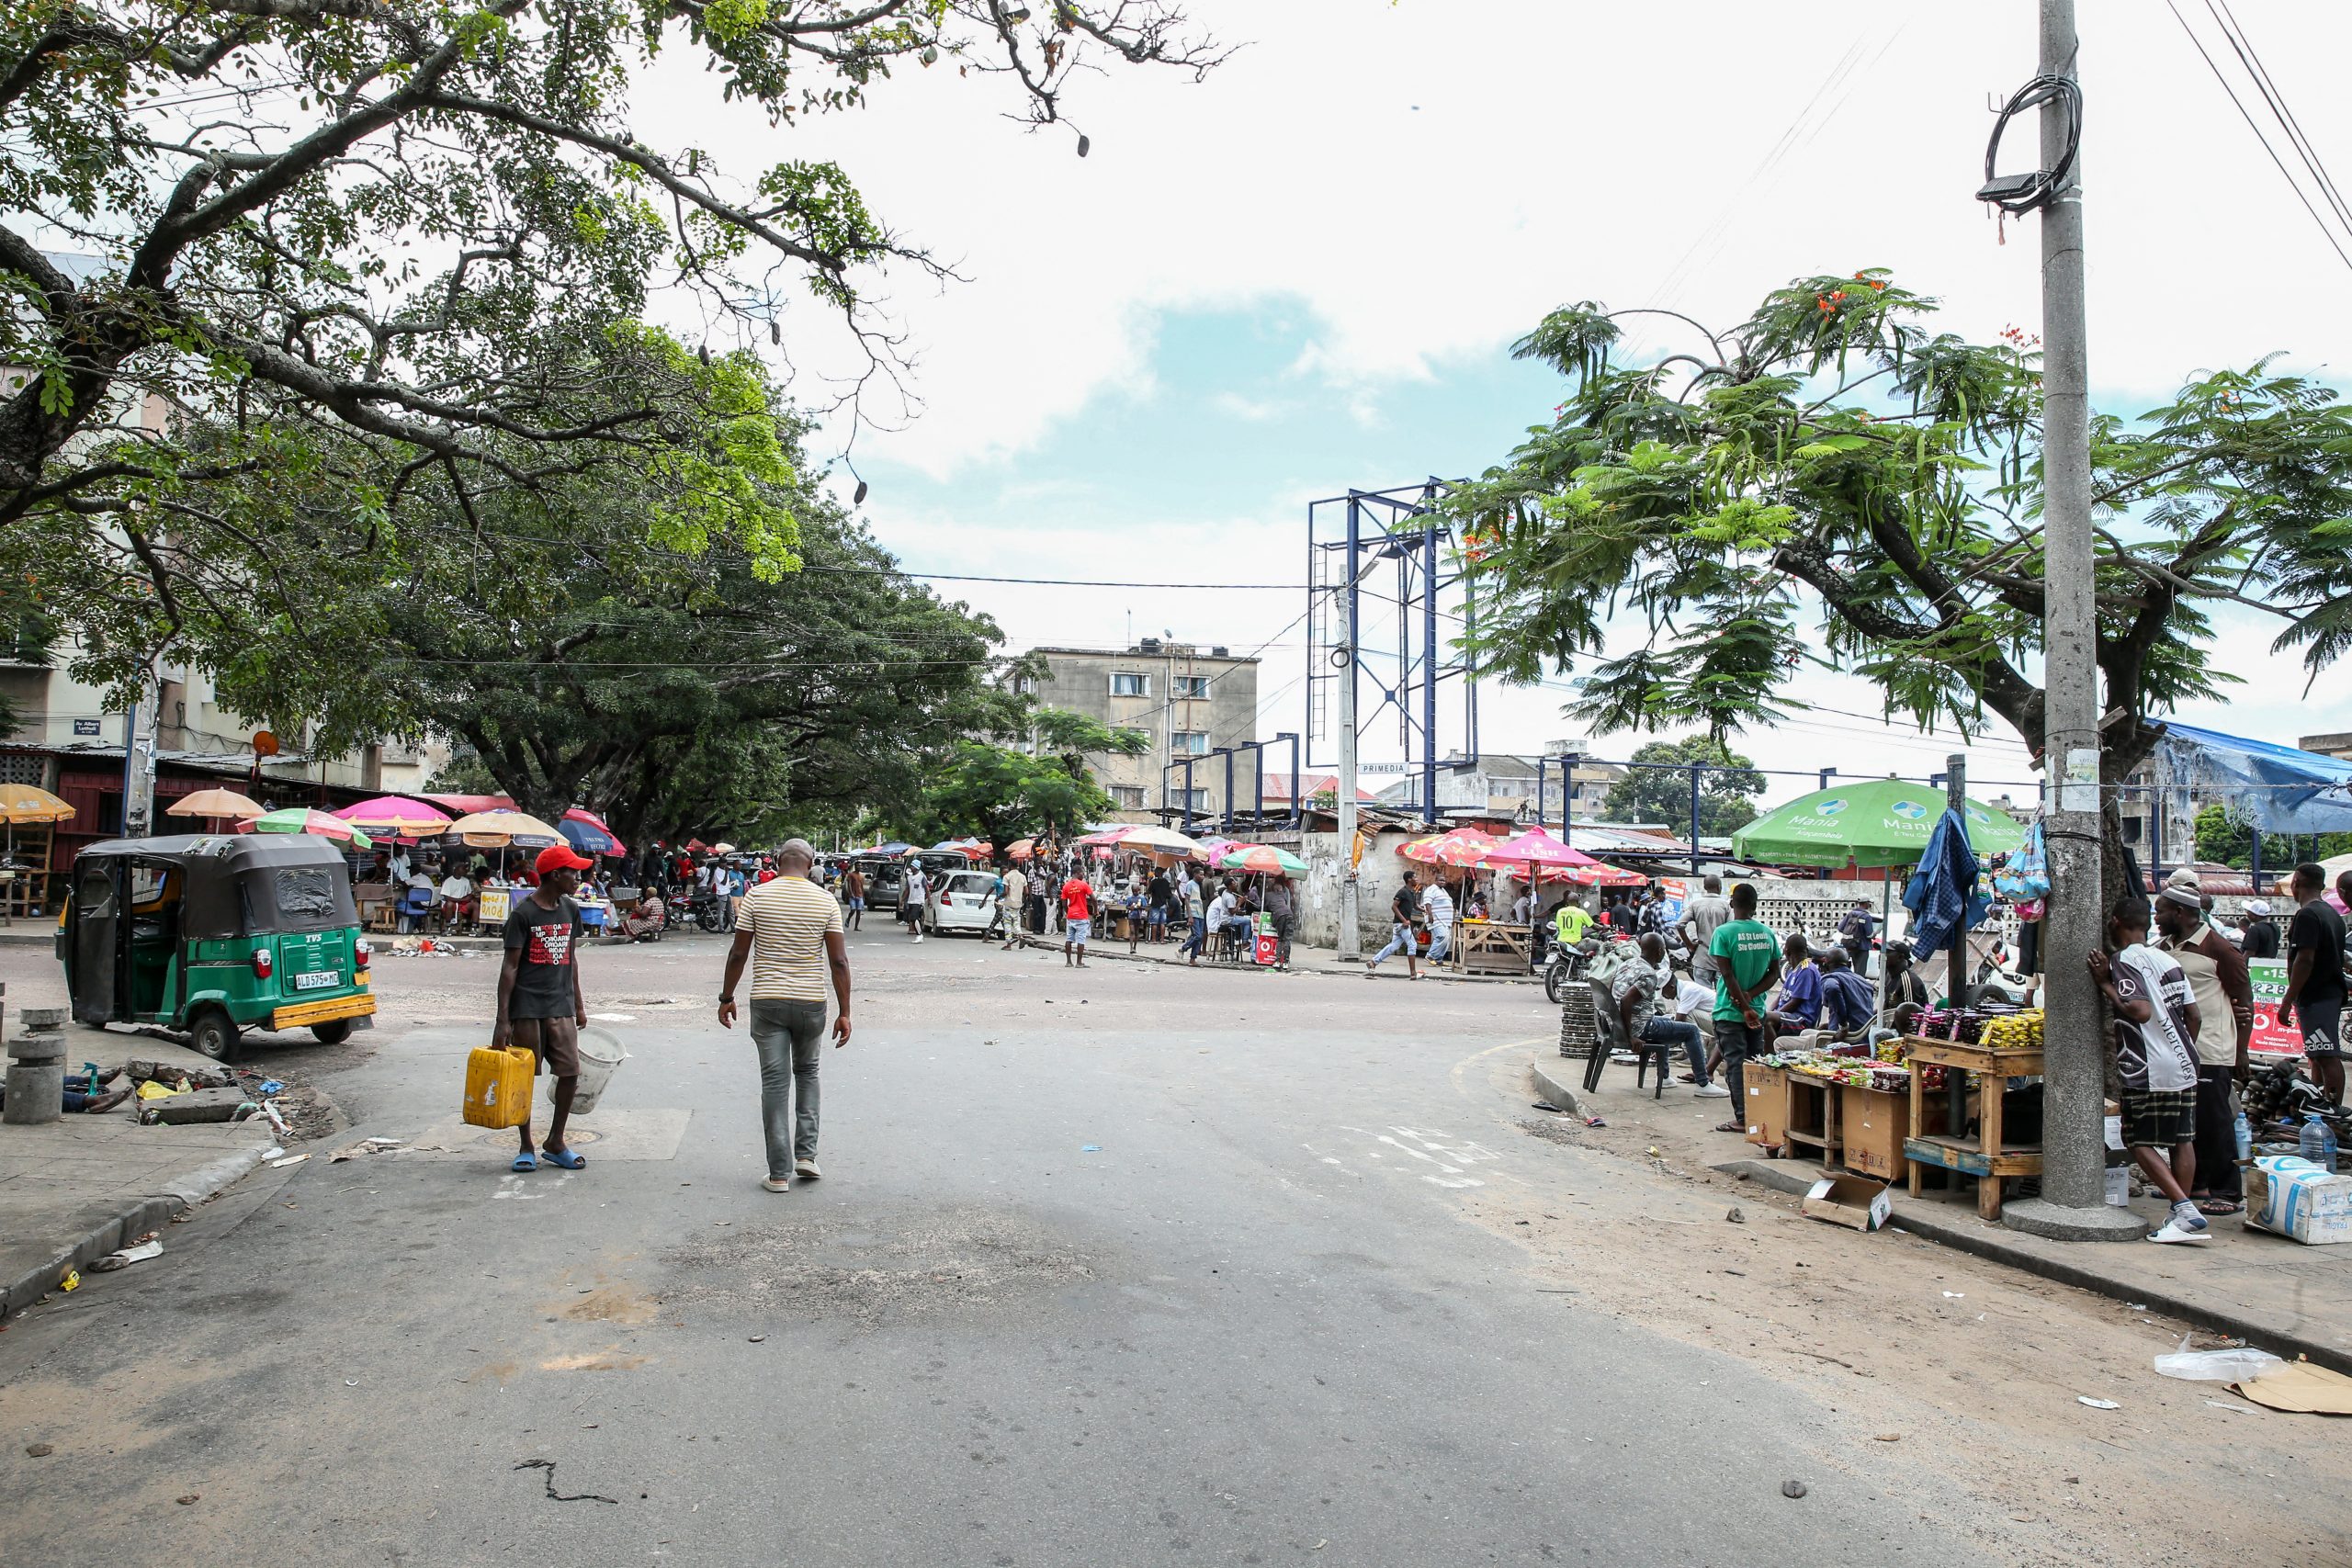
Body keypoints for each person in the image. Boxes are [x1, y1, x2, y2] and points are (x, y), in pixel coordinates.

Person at [718, 839, 851, 1191]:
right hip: (811, 1003)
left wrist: (727, 996)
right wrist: (845, 1012)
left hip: (767, 1001)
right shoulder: (825, 901)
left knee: (774, 1083)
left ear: (777, 862)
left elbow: (738, 954)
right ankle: (806, 1156)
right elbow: (838, 961)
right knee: (808, 1073)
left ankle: (778, 1174)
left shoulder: (757, 897)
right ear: (810, 863)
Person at [2088, 895, 2208, 1244]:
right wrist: (2178, 1049)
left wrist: (2104, 983)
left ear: (2115, 922)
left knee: (2137, 1140)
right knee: (2181, 1139)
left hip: (2150, 1065)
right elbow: (2194, 1016)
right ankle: (2179, 1217)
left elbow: (2138, 1010)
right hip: (2184, 1060)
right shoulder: (2166, 959)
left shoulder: (2124, 960)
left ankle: (2184, 1209)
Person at [493, 844, 595, 1174]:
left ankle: (556, 1141)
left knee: (570, 1072)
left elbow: (572, 958)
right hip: (527, 1008)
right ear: (556, 875)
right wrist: (502, 1021)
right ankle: (526, 1145)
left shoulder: (570, 909)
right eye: (573, 872)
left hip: (560, 1005)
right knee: (523, 1078)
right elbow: (509, 968)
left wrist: (579, 1005)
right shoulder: (524, 914)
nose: (578, 878)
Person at [2155, 876, 2254, 1216]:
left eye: (2161, 911)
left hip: (2211, 1048)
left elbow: (2245, 1000)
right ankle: (2194, 1183)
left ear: (2180, 913)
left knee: (2215, 1121)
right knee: (2185, 1121)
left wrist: (2242, 1052)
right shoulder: (2164, 947)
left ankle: (2227, 1190)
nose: (2157, 917)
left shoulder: (2220, 949)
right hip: (2175, 1049)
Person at [1708, 883, 1782, 1134]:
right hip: (1757, 1011)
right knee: (1753, 1065)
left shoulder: (1723, 933)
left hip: (1730, 1012)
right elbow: (1775, 974)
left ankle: (1742, 1118)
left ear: (1732, 904)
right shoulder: (1768, 934)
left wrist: (1742, 1005)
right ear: (1755, 906)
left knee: (1736, 1065)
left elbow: (1727, 975)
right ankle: (1757, 1114)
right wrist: (1752, 998)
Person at [2278, 862, 2347, 1107]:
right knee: (2317, 1056)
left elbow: (2305, 960)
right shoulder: (2332, 914)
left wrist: (2287, 1001)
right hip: (2326, 994)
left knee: (2326, 1056)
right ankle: (2318, 1102)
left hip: (2318, 996)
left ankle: (2332, 1109)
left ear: (2296, 883)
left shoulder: (2308, 914)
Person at [1613, 932, 1713, 1094]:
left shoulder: (1629, 963)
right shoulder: (1649, 974)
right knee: (1692, 1031)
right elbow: (1626, 1000)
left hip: (1625, 1022)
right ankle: (1703, 1083)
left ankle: (1665, 1077)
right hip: (1639, 1027)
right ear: (1660, 951)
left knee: (1666, 1021)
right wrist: (1630, 1036)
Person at [1662, 967, 1730, 1097]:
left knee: (1685, 1018)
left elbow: (1680, 1021)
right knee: (1674, 1019)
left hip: (1721, 1020)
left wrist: (1666, 1043)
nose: (1663, 996)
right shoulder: (1680, 990)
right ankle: (1697, 1059)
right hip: (1714, 1019)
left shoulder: (1689, 990)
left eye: (1663, 991)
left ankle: (1698, 1059)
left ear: (1671, 986)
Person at [1364, 871, 1424, 981]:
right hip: (1401, 924)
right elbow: (1394, 907)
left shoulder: (1412, 892)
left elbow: (1414, 905)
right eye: (1415, 877)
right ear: (1409, 879)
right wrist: (1404, 921)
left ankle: (1373, 962)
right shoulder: (1402, 892)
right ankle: (1413, 973)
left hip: (1400, 925)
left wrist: (1423, 909)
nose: (1417, 879)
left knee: (1394, 946)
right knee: (1412, 945)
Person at [1762, 933, 1821, 1043]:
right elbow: (1779, 998)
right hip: (1788, 1016)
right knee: (1761, 1017)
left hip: (1801, 1020)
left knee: (1767, 1020)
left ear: (1786, 951)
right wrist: (1768, 1012)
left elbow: (1796, 1002)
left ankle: (1770, 1056)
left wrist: (1773, 1014)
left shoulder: (1806, 970)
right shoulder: (1793, 970)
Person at [1679, 876, 1731, 987]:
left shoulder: (1695, 904)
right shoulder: (1726, 906)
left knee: (1703, 998)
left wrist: (1690, 945)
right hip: (1721, 960)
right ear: (1719, 887)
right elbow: (1731, 930)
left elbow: (1679, 925)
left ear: (1704, 887)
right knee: (1720, 998)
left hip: (1701, 959)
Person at [1816, 948, 1876, 1037]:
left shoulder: (1831, 978)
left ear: (1826, 965)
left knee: (1799, 1035)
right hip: (1865, 1037)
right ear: (1849, 964)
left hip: (1846, 1040)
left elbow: (1832, 988)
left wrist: (1843, 1026)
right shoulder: (1863, 981)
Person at [1060, 865, 1093, 967]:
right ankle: (1079, 962)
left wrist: (1068, 912)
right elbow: (1094, 899)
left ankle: (1068, 962)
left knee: (1069, 939)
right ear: (1078, 872)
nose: (1083, 875)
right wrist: (1095, 910)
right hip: (1081, 916)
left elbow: (1064, 903)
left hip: (1071, 916)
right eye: (1082, 873)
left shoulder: (1066, 886)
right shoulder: (1083, 885)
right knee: (1081, 939)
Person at [1421, 875, 1455, 965]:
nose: (1443, 882)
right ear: (1435, 880)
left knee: (1447, 939)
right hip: (1436, 918)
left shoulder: (1443, 891)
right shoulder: (1431, 889)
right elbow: (1427, 902)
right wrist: (1430, 914)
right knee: (1441, 936)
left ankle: (1438, 959)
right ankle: (1430, 956)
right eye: (1440, 880)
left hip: (1445, 920)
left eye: (1444, 881)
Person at [1838, 898, 1876, 974]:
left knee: (1851, 969)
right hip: (1863, 947)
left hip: (1850, 945)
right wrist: (1874, 934)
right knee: (1860, 972)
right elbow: (1869, 935)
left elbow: (1840, 928)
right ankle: (1858, 984)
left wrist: (1852, 935)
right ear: (1866, 903)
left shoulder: (1850, 914)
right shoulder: (1866, 916)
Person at [1265, 876, 1295, 969]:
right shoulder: (1283, 895)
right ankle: (1286, 962)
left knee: (1280, 939)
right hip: (1289, 914)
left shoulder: (1268, 895)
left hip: (1279, 916)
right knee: (1287, 939)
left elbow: (1266, 908)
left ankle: (1277, 961)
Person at [438, 864, 477, 933]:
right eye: (463, 869)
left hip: (463, 904)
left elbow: (470, 894)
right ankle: (448, 928)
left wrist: (467, 898)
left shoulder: (466, 880)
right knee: (449, 904)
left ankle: (473, 929)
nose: (465, 871)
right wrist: (461, 900)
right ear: (456, 870)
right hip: (452, 903)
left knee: (476, 905)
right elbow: (446, 897)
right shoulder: (448, 881)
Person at [999, 863, 1026, 950]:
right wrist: (1022, 898)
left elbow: (1005, 892)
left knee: (1007, 923)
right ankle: (1020, 935)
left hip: (1009, 902)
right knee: (1015, 921)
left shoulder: (1007, 877)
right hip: (1018, 903)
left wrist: (998, 898)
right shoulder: (1022, 876)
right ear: (1018, 866)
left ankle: (1009, 944)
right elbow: (1027, 892)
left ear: (1010, 866)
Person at [901, 860, 928, 942]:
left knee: (914, 917)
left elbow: (927, 889)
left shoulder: (921, 877)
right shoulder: (909, 878)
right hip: (911, 900)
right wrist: (902, 900)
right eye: (911, 866)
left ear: (917, 867)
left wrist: (929, 900)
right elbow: (907, 890)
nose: (911, 868)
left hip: (918, 900)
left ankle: (919, 935)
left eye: (913, 866)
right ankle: (919, 934)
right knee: (912, 919)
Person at [1148, 868, 1173, 944]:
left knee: (1154, 923)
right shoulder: (1166, 882)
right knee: (1162, 923)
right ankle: (1162, 939)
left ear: (1158, 873)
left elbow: (1149, 891)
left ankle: (1154, 939)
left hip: (1155, 904)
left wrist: (1149, 881)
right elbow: (1169, 895)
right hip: (1163, 904)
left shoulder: (1154, 882)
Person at [842, 863, 866, 931]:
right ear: (855, 867)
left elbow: (861, 886)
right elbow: (849, 884)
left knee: (859, 911)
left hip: (860, 895)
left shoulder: (862, 876)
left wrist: (863, 895)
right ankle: (849, 918)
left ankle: (856, 927)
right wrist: (851, 893)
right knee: (853, 910)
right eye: (858, 866)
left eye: (860, 866)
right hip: (853, 896)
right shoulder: (851, 875)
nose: (859, 867)